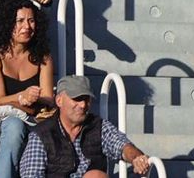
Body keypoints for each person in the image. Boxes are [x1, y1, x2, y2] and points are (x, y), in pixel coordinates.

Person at [19, 75, 152, 178]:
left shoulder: (99, 126)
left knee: (95, 176)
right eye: (77, 98)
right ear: (59, 100)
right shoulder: (41, 135)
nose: (83, 105)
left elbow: (122, 146)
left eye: (86, 99)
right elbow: (31, 175)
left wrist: (137, 158)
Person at [0, 0, 55, 178]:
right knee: (13, 125)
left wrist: (34, 99)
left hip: (34, 119)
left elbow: (49, 98)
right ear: (8, 23)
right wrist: (21, 97)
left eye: (31, 20)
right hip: (4, 120)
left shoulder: (43, 57)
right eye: (20, 21)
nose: (27, 26)